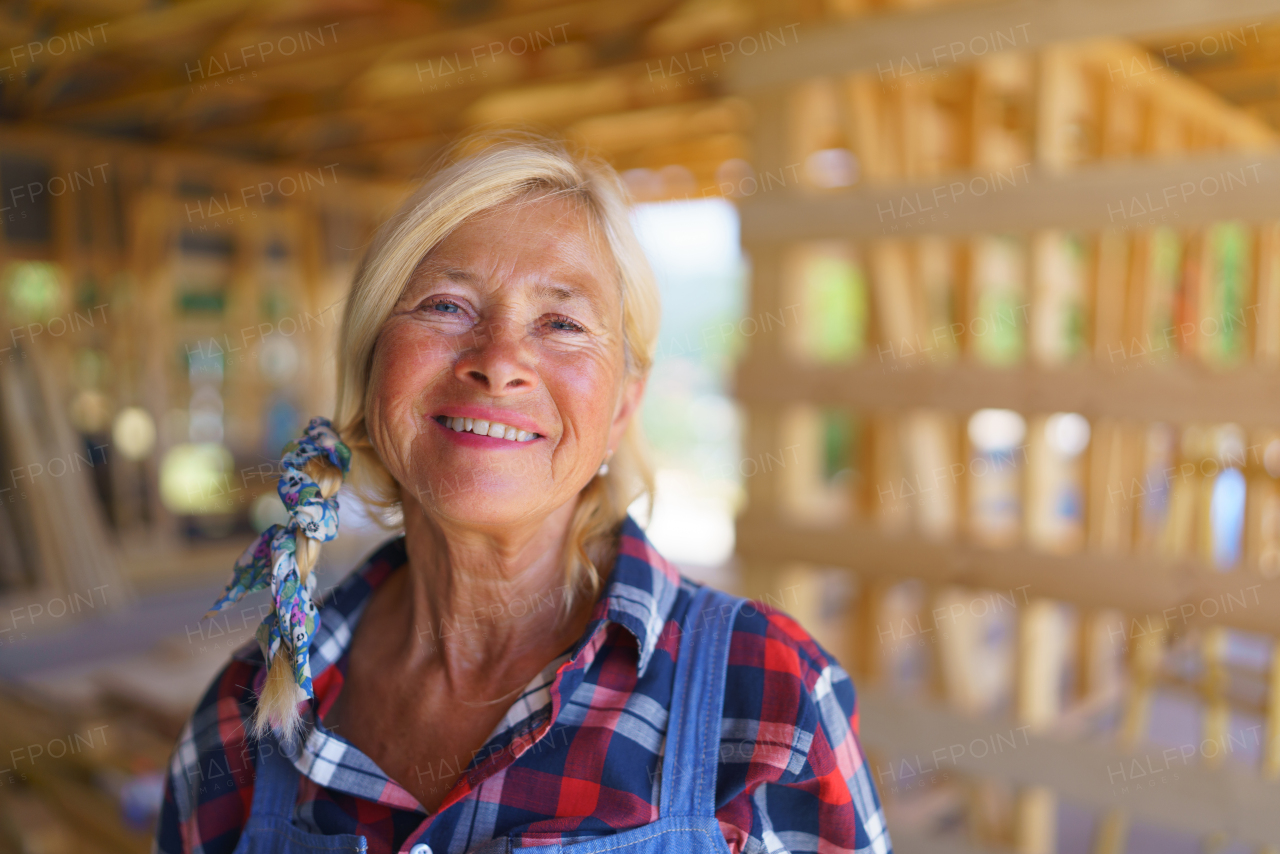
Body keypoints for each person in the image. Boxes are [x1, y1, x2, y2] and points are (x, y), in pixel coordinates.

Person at [154, 134, 891, 854]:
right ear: (373, 365)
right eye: (447, 306)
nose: (500, 362)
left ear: (623, 408)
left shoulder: (769, 702)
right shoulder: (244, 717)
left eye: (562, 323)